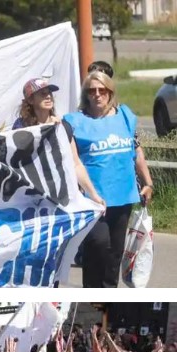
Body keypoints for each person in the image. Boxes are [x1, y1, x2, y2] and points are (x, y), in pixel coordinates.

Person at [64, 71, 154, 288]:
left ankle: (107, 293)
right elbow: (73, 161)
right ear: (86, 95)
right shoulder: (75, 121)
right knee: (97, 244)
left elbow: (137, 151)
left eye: (102, 90)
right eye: (92, 91)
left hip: (123, 195)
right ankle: (92, 290)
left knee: (115, 252)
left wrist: (148, 182)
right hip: (92, 198)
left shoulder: (125, 116)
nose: (97, 95)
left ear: (110, 92)